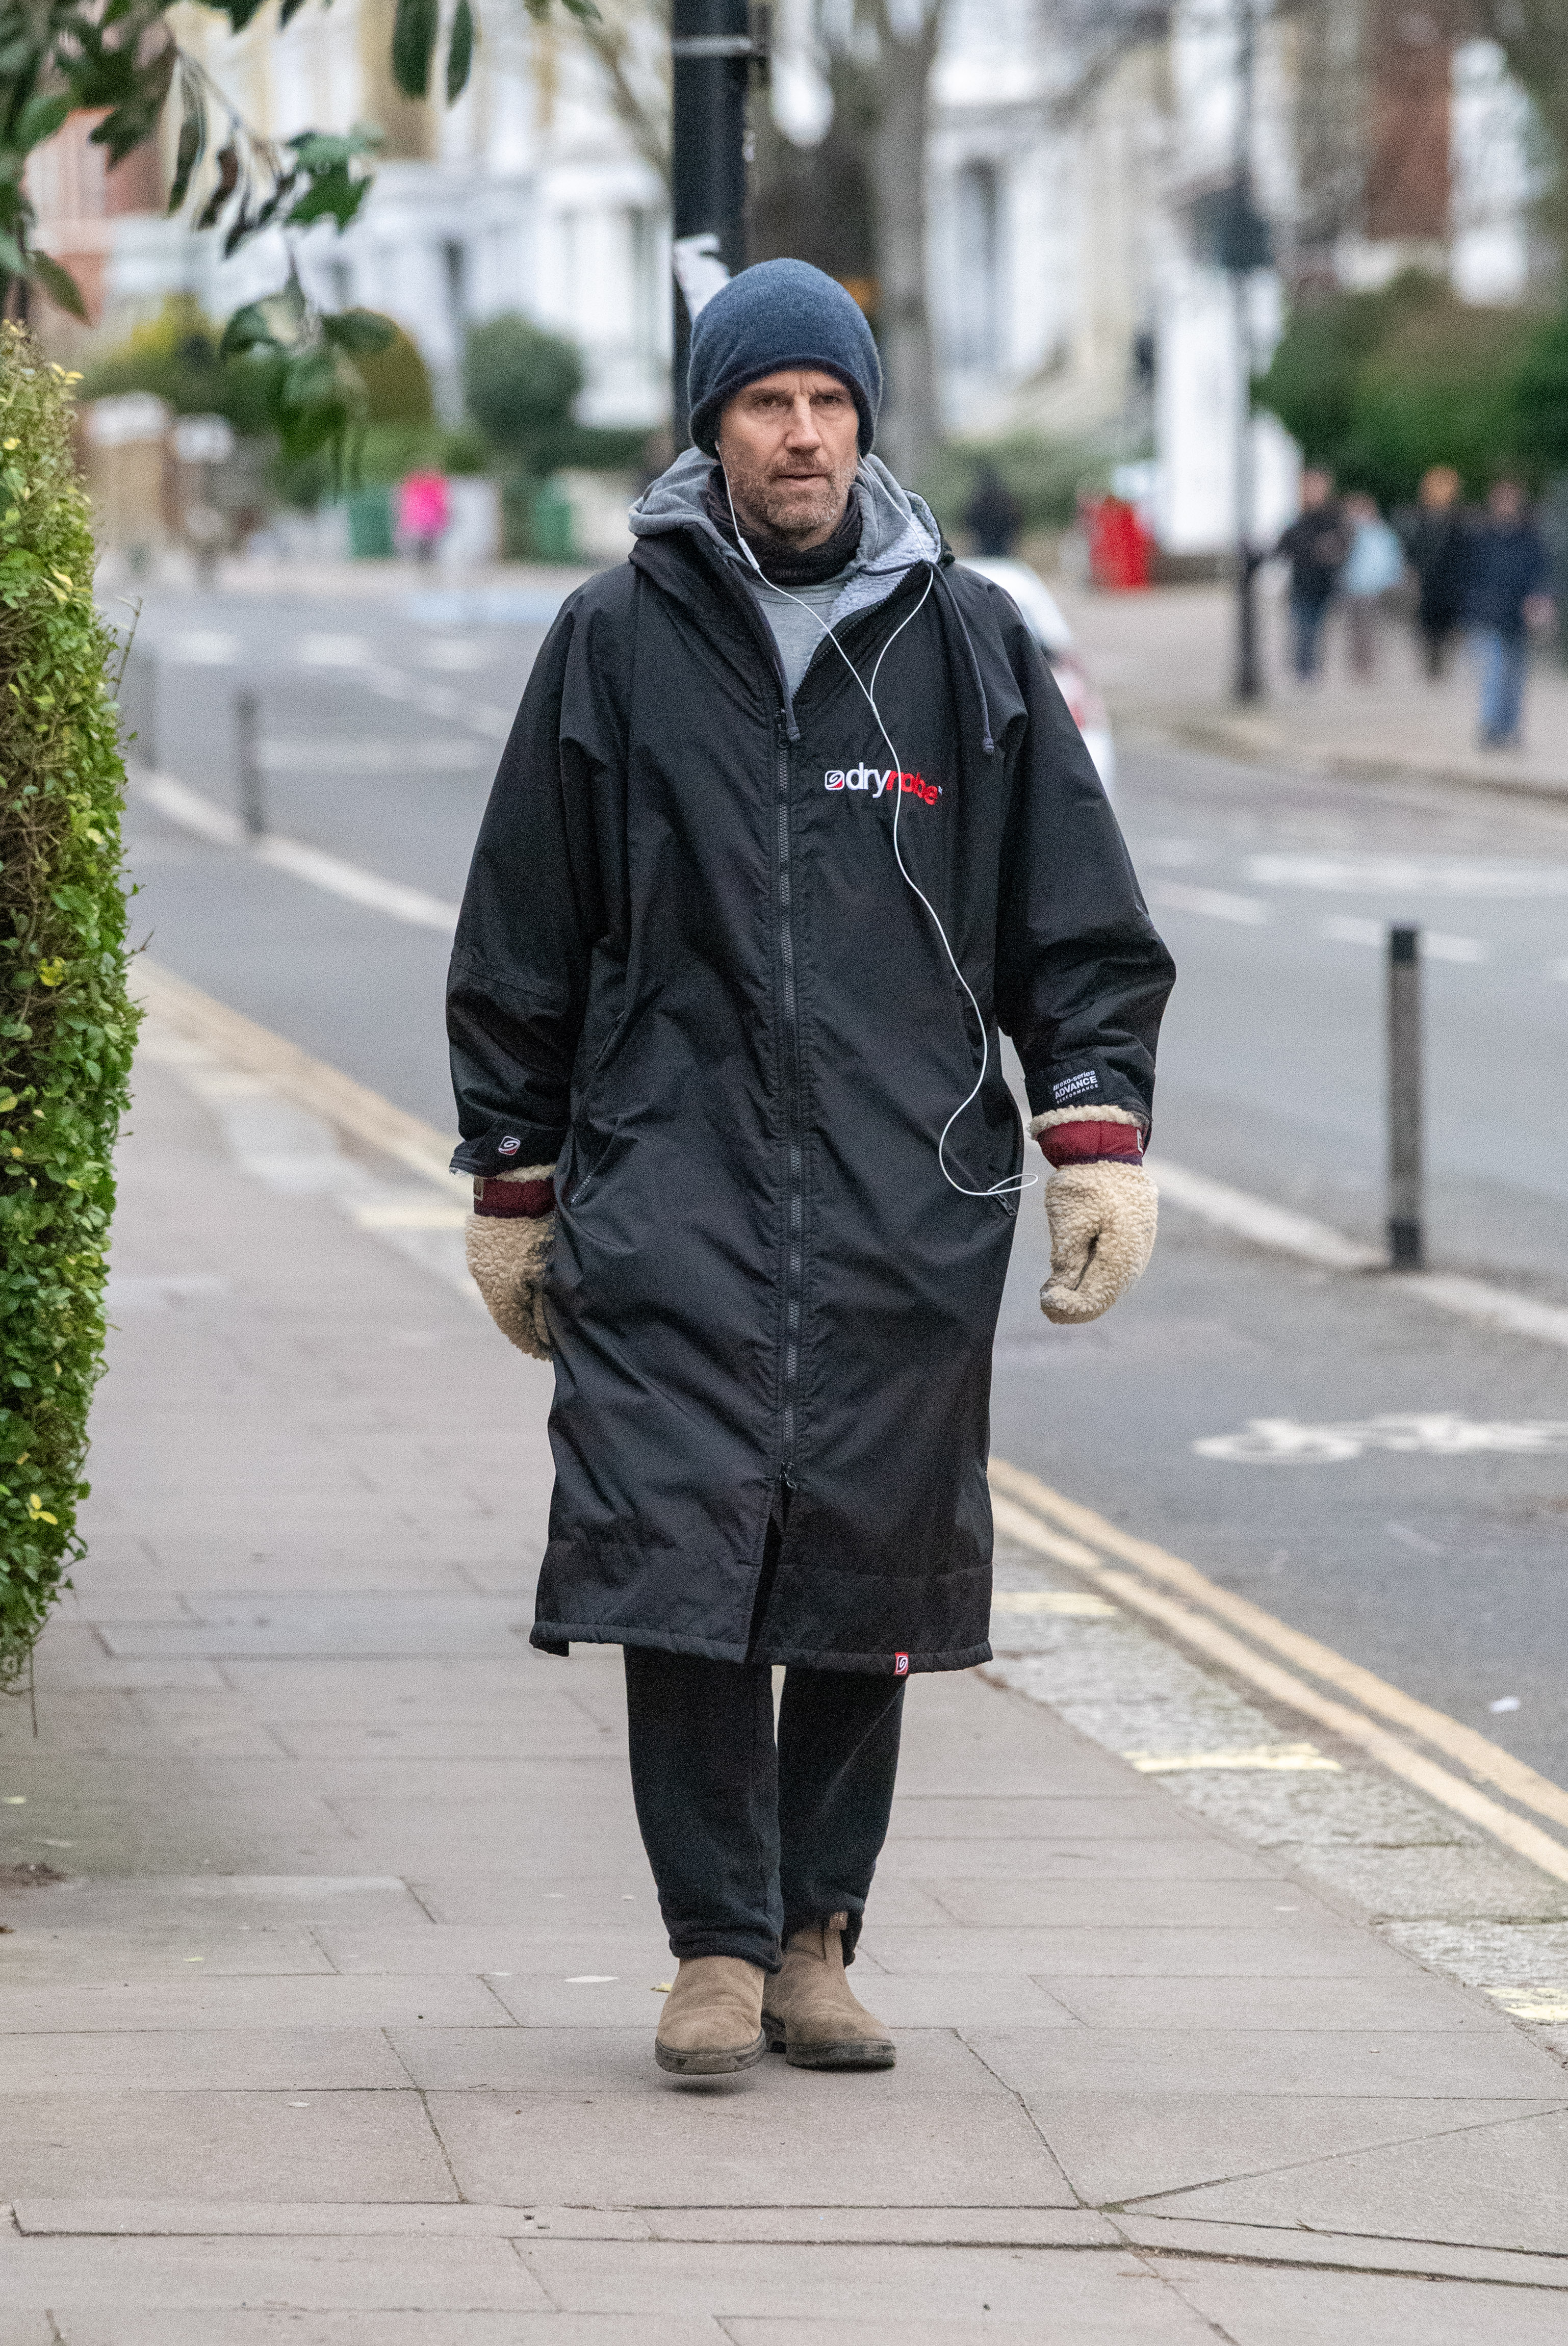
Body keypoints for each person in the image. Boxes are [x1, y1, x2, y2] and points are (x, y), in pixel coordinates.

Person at [448, 259, 1175, 2080]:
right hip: (665, 1180)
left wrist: (1093, 1136)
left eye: (826, 404)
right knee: (673, 1549)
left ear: (863, 424)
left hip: (896, 1197)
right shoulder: (611, 644)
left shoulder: (964, 645)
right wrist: (512, 1177)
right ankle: (707, 1941)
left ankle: (815, 1934)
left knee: (866, 1563)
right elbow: (523, 931)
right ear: (713, 426)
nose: (799, 433)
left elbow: (1074, 926)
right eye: (765, 402)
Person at [1465, 479, 1555, 749]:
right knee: (1493, 671)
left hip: (1518, 616)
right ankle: (1492, 726)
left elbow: (1540, 574)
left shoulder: (1529, 537)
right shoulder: (1482, 536)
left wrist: (1540, 600)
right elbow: (1471, 574)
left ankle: (1510, 727)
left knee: (1514, 675)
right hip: (1489, 613)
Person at [1275, 469, 1349, 681]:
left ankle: (1311, 669)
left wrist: (1330, 550)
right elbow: (1282, 547)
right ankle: (1304, 670)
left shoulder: (1334, 517)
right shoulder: (1296, 518)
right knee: (1303, 627)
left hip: (1325, 584)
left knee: (1316, 628)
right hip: (1301, 583)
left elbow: (1343, 546)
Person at [1398, 465, 1469, 680]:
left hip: (1452, 582)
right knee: (1427, 628)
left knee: (1448, 628)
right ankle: (1431, 668)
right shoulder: (1418, 519)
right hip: (1427, 582)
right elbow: (1411, 550)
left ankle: (1441, 668)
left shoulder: (1459, 520)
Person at [1339, 492, 1406, 680]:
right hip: (1352, 587)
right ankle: (1358, 665)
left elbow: (1391, 560)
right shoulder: (1348, 532)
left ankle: (1369, 665)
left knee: (1370, 628)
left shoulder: (1381, 534)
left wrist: (1390, 581)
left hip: (1374, 589)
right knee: (1355, 629)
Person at [964, 459, 1023, 557]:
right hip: (995, 544)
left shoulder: (980, 501)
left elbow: (969, 519)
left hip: (989, 544)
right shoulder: (1005, 501)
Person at [397, 469, 450, 563]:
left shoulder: (416, 487)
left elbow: (409, 506)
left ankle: (424, 562)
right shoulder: (431, 486)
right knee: (427, 545)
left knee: (425, 545)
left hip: (425, 522)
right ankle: (425, 562)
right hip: (428, 522)